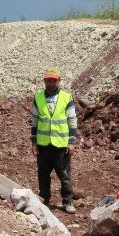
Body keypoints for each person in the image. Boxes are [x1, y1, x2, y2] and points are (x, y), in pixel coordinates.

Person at [31, 68, 77, 213]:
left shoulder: (66, 97)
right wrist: (34, 141)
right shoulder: (38, 97)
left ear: (59, 81)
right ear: (44, 81)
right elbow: (34, 120)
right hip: (43, 144)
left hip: (60, 144)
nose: (51, 83)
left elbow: (72, 120)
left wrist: (71, 142)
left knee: (64, 174)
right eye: (48, 80)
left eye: (54, 80)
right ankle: (44, 199)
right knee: (43, 174)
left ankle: (68, 201)